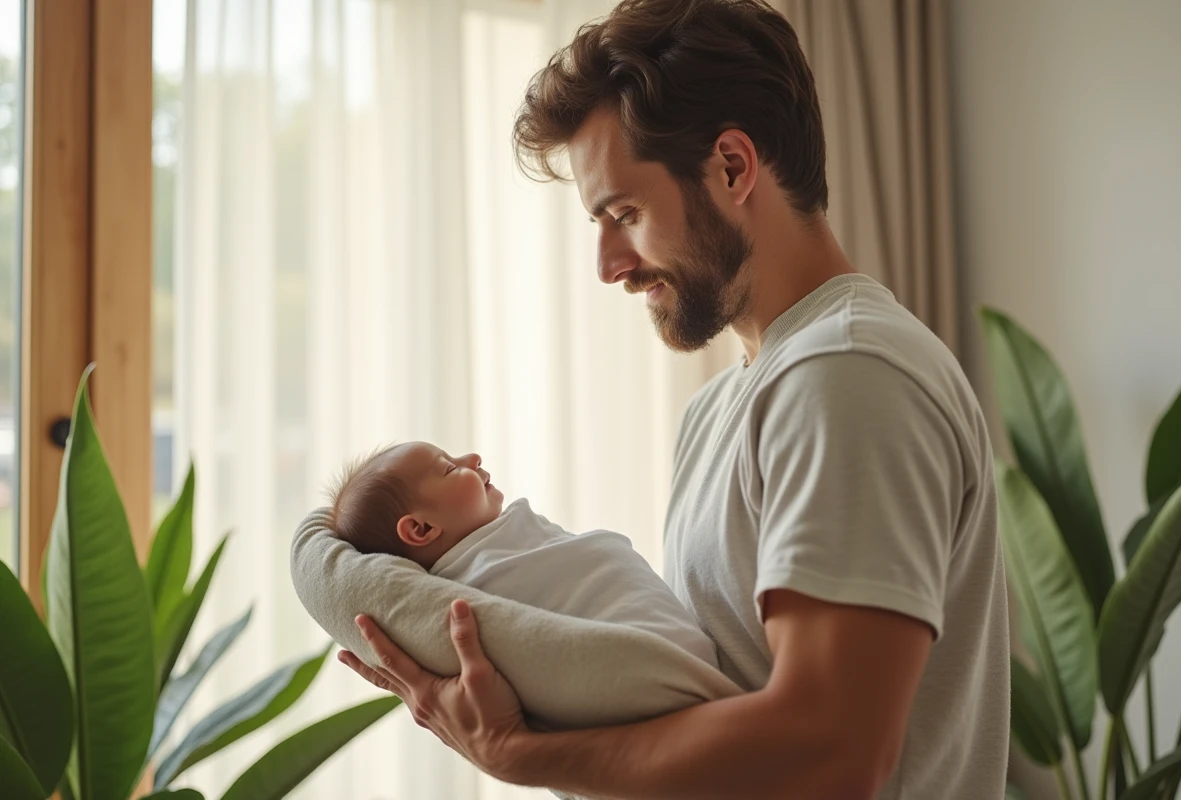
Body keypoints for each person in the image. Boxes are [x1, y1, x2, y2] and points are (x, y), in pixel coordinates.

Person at [336, 1, 1010, 797]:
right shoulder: (724, 407)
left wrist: (520, 756)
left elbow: (831, 751)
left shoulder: (846, 373)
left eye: (624, 214)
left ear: (732, 167)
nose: (609, 265)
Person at [325, 441, 718, 667]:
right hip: (647, 654)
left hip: (661, 643)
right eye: (449, 469)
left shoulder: (507, 543)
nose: (472, 458)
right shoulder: (471, 586)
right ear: (422, 529)